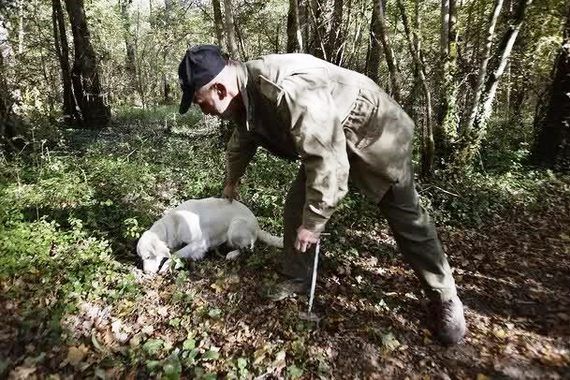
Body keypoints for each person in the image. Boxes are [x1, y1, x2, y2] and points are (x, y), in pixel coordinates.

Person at [177, 44, 466, 345]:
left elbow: (328, 159)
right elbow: (244, 137)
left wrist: (314, 223)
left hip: (375, 133)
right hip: (328, 140)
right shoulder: (243, 97)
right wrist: (232, 181)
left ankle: (445, 297)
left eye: (201, 102)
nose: (204, 110)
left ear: (220, 89)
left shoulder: (286, 89)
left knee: (407, 219)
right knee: (294, 210)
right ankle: (297, 277)